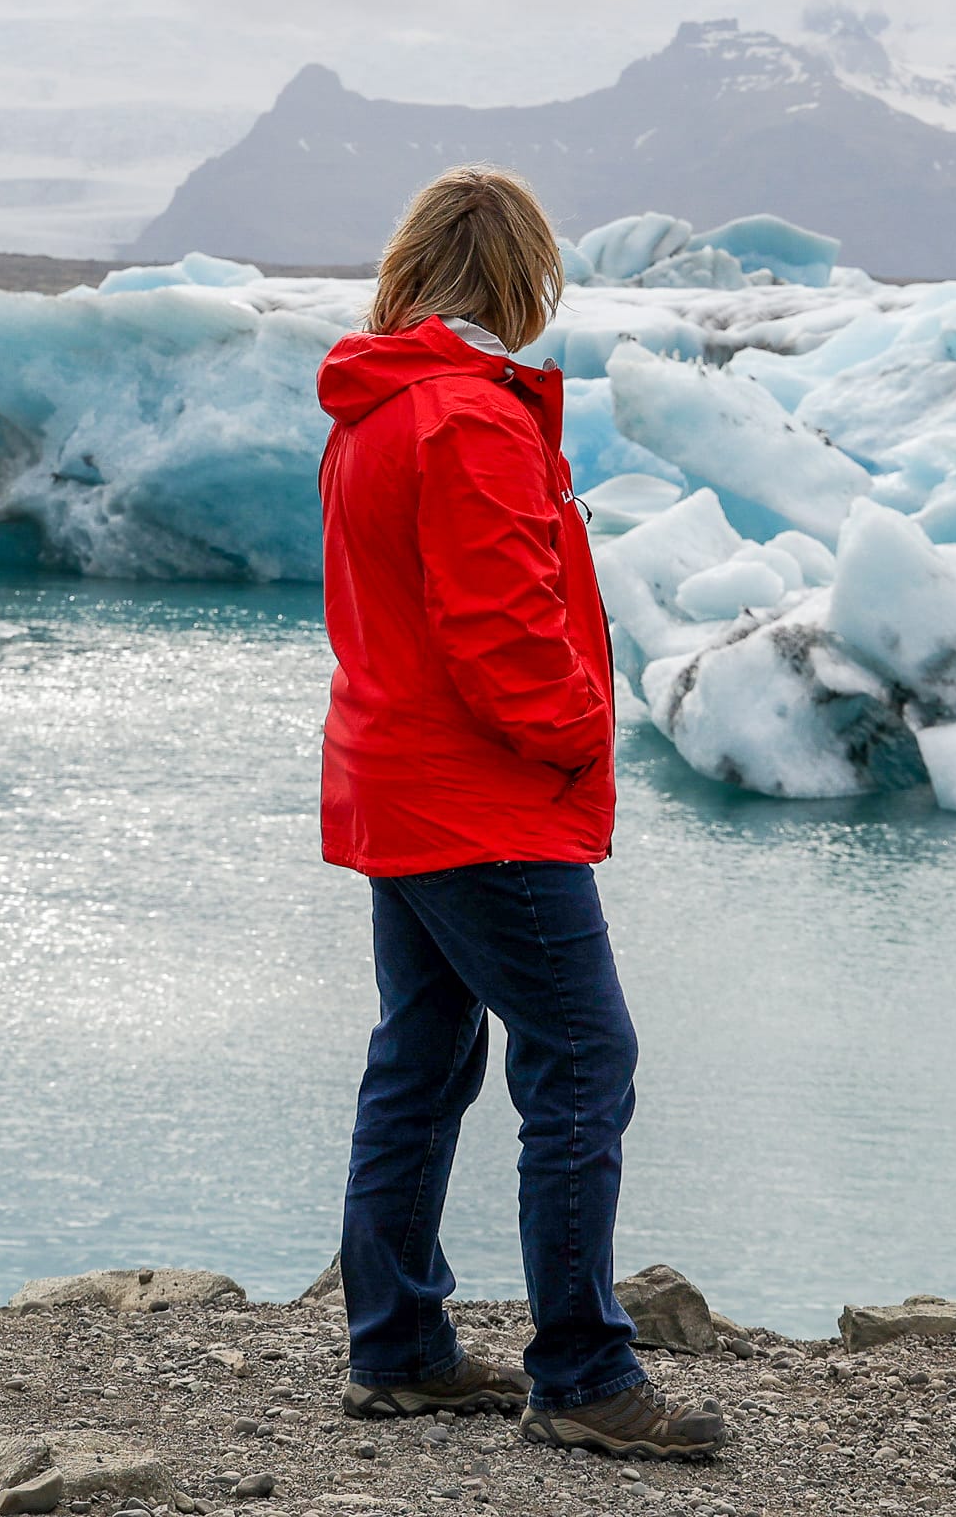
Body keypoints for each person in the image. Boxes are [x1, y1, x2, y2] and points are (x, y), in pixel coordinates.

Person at [313, 166, 728, 1463]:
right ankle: (586, 1376)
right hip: (481, 802)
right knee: (582, 1062)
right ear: (523, 279)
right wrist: (572, 734)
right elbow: (501, 628)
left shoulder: (375, 412)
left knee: (425, 1060)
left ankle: (398, 1349)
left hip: (398, 780)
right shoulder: (468, 420)